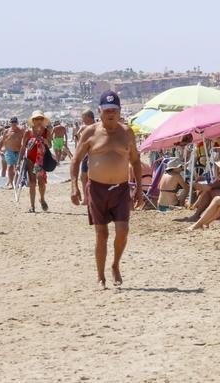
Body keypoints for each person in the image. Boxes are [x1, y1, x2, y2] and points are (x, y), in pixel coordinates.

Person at [70, 91, 143, 290]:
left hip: (120, 189)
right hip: (97, 189)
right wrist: (74, 186)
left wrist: (139, 189)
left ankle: (115, 265)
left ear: (119, 112)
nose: (110, 114)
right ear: (100, 112)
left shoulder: (127, 133)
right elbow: (76, 160)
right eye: (106, 110)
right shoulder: (90, 132)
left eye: (114, 110)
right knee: (101, 234)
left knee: (123, 231)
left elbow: (135, 161)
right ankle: (100, 276)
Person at [185, 157, 220, 227]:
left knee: (209, 192)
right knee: (211, 191)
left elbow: (208, 187)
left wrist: (193, 184)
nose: (217, 168)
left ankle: (196, 215)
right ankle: (198, 214)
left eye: (219, 166)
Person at [20, 111, 52, 213]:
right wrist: (18, 162)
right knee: (32, 183)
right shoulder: (28, 132)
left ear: (43, 120)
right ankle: (32, 206)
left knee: (41, 182)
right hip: (30, 160)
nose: (39, 121)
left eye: (41, 119)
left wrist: (44, 140)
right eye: (36, 119)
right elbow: (23, 147)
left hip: (41, 161)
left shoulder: (46, 132)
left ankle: (42, 199)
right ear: (33, 121)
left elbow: (50, 145)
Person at [75, 110, 96, 206]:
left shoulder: (97, 127)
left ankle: (92, 198)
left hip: (94, 154)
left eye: (83, 117)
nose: (82, 119)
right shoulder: (85, 127)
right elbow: (77, 136)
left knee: (92, 177)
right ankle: (86, 198)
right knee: (83, 176)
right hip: (86, 154)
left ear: (88, 117)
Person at [0, 117, 24, 189]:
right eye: (12, 122)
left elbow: (25, 140)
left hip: (18, 151)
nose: (13, 124)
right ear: (10, 123)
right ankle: (11, 183)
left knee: (17, 167)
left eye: (15, 122)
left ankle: (16, 183)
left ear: (17, 122)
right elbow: (2, 141)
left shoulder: (21, 130)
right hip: (9, 151)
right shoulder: (6, 131)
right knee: (10, 166)